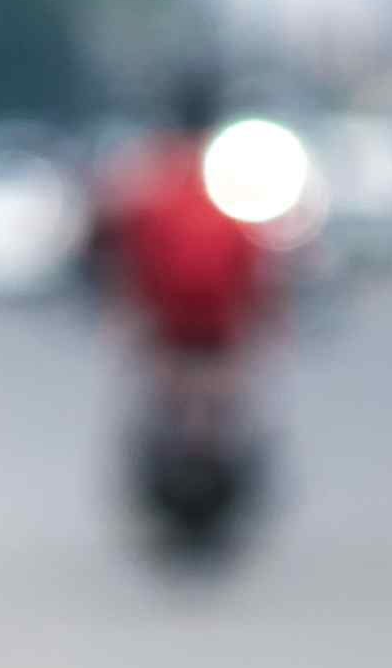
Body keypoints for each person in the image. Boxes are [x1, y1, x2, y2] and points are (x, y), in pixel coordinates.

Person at [99, 73, 274, 442]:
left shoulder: (151, 170)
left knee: (166, 381)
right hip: (219, 316)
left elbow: (125, 244)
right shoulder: (232, 170)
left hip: (169, 316)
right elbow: (256, 254)